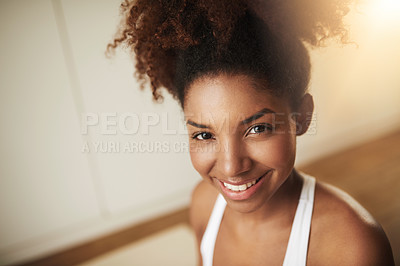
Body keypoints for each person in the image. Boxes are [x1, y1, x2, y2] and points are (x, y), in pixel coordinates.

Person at [108, 0, 395, 265]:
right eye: (204, 135)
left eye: (258, 128)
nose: (232, 167)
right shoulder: (203, 205)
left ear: (302, 116)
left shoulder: (352, 246)